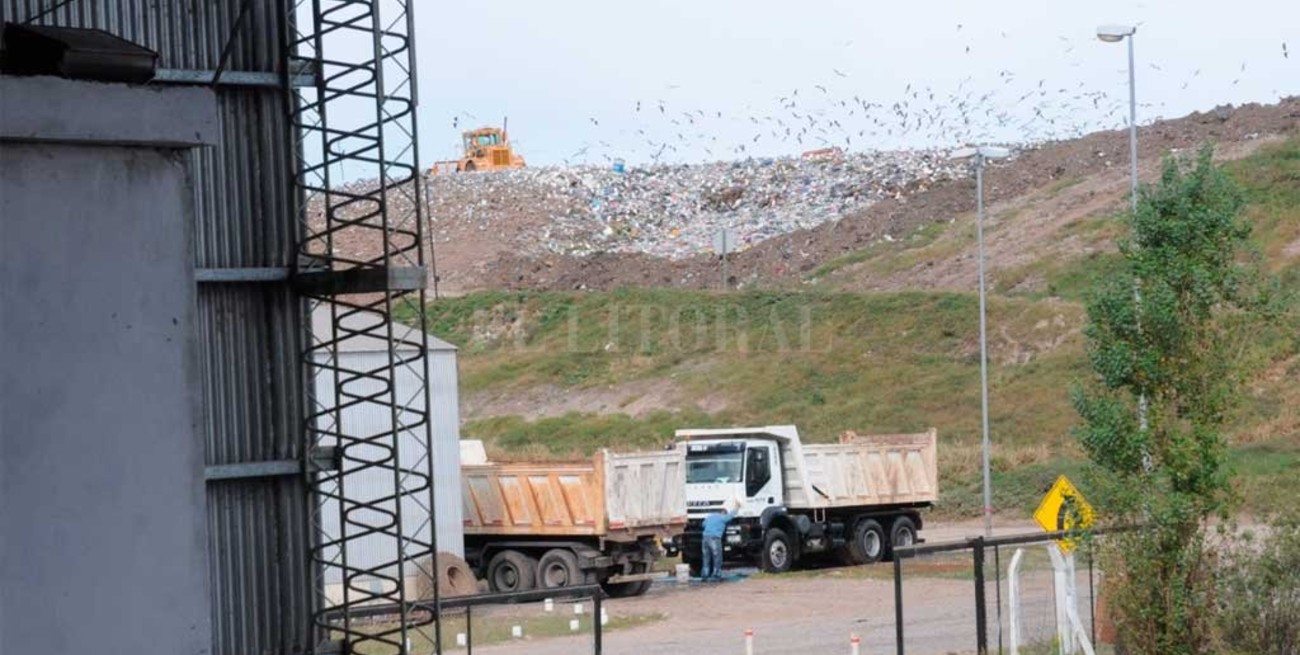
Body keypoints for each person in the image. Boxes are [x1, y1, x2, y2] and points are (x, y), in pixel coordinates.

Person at [699, 497, 740, 581]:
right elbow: (730, 516)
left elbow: (703, 524)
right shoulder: (722, 517)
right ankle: (716, 574)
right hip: (714, 538)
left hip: (705, 538)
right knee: (717, 557)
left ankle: (705, 575)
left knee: (706, 557)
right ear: (724, 513)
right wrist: (737, 508)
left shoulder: (710, 516)